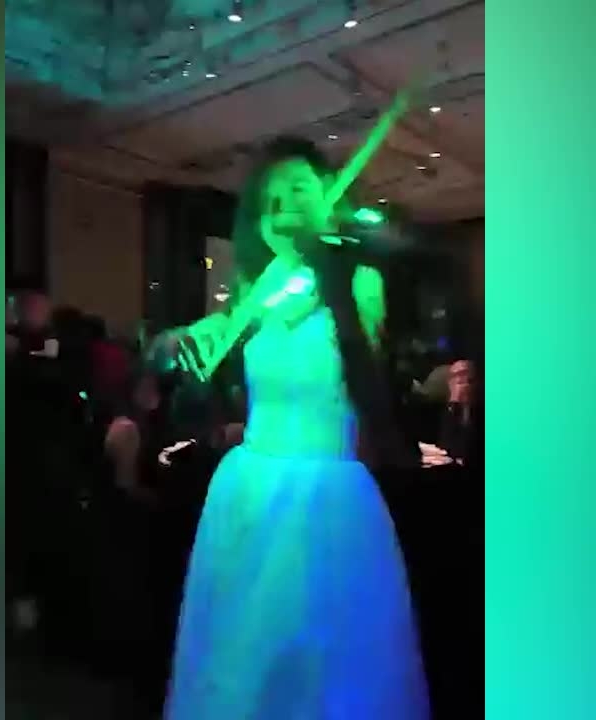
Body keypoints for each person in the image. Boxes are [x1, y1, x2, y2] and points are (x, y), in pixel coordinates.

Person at [160, 137, 430, 719]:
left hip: (327, 494)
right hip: (248, 491)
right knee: (242, 660)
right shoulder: (254, 295)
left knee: (326, 668)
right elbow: (211, 411)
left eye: (300, 190)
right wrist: (198, 370)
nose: (285, 209)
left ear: (329, 198)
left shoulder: (360, 281)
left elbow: (373, 398)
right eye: (271, 201)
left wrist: (335, 283)